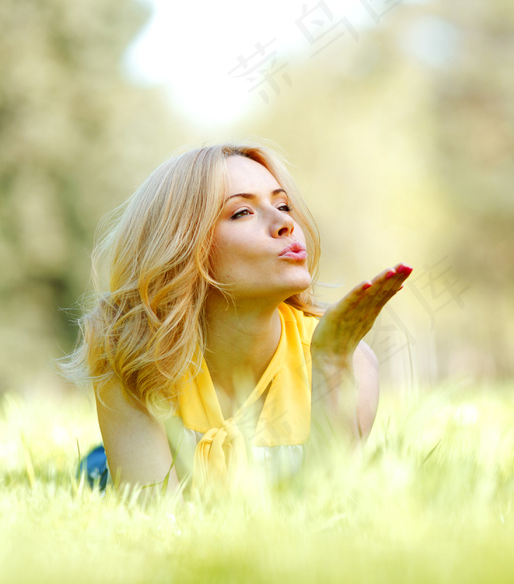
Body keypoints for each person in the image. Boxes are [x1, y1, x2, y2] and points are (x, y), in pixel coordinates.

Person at [62, 142, 412, 497]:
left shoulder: (350, 360)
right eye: (242, 212)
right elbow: (156, 517)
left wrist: (332, 361)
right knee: (96, 471)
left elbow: (323, 510)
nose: (285, 223)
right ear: (184, 246)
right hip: (109, 470)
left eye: (283, 205)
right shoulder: (131, 353)